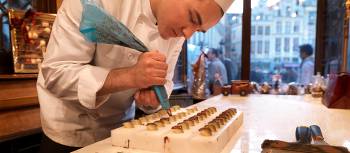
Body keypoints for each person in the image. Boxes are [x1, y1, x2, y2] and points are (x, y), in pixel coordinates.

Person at [37, 0, 234, 152]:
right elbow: (55, 73)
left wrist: (153, 99)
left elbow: (165, 81)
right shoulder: (97, 2)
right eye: (192, 17)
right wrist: (131, 77)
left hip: (122, 131)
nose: (188, 34)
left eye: (198, 30)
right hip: (68, 130)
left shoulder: (178, 30)